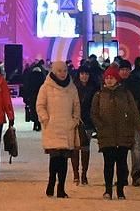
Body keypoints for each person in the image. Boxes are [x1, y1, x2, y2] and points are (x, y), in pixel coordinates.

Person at [91, 65, 140, 200]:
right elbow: (94, 113)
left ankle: (120, 190)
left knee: (121, 164)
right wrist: (100, 126)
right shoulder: (99, 95)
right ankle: (108, 190)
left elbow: (133, 112)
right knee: (108, 164)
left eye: (112, 78)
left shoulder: (125, 94)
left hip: (123, 135)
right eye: (107, 78)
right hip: (106, 135)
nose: (109, 80)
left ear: (117, 79)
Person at [36, 61, 80, 198]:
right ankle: (51, 182)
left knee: (64, 159)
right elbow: (40, 105)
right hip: (52, 127)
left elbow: (76, 105)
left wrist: (74, 120)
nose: (62, 73)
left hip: (67, 127)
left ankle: (61, 187)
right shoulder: (46, 87)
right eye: (59, 71)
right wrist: (45, 119)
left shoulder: (72, 88)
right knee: (55, 158)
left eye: (64, 71)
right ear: (54, 72)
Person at [120, 58, 140, 186]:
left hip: (134, 120)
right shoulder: (116, 84)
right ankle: (122, 177)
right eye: (122, 70)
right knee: (121, 150)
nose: (124, 72)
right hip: (120, 121)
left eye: (126, 70)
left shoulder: (135, 81)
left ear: (130, 70)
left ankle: (136, 175)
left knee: (136, 148)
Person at [71, 66, 98, 185]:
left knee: (85, 148)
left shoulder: (94, 89)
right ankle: (76, 174)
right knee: (75, 148)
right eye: (82, 73)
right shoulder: (72, 88)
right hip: (75, 122)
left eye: (86, 74)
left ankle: (84, 174)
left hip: (88, 122)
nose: (84, 76)